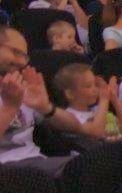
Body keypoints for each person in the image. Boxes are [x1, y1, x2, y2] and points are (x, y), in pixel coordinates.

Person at [0, 25, 83, 172]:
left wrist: (46, 107)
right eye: (15, 52)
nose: (21, 62)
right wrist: (9, 108)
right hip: (8, 173)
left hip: (38, 165)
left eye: (24, 56)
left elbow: (75, 127)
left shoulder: (22, 87)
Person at [54, 63, 122, 139]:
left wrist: (114, 98)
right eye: (88, 86)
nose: (95, 89)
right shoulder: (70, 117)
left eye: (95, 84)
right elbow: (97, 133)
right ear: (70, 94)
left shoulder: (98, 109)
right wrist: (104, 100)